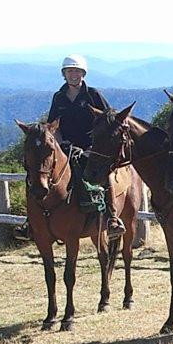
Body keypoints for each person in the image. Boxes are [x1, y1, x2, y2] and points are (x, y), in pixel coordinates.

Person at [45, 54, 125, 238]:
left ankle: (112, 218)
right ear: (64, 74)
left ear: (83, 73)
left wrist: (97, 146)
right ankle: (34, 221)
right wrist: (59, 143)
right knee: (41, 174)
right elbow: (53, 125)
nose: (74, 75)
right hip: (65, 147)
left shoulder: (93, 94)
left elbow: (109, 118)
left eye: (77, 71)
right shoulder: (58, 97)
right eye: (70, 71)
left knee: (105, 177)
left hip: (92, 148)